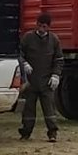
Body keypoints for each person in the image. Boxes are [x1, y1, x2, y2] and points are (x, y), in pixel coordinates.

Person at [18, 12, 64, 143]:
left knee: (49, 108)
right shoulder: (28, 38)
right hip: (31, 81)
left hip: (46, 81)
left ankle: (52, 133)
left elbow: (59, 60)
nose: (41, 29)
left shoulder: (54, 40)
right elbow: (19, 53)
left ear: (48, 27)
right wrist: (24, 63)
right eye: (39, 25)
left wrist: (56, 75)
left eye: (43, 26)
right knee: (28, 109)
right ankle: (26, 133)